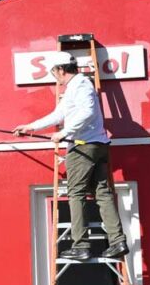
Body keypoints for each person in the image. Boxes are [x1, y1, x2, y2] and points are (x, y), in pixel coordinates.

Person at [13, 51, 128, 261]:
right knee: (102, 193)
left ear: (61, 69)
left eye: (54, 72)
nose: (54, 76)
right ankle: (117, 241)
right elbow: (59, 114)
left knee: (76, 193)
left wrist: (63, 133)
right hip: (98, 145)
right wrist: (30, 127)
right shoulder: (77, 86)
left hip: (83, 146)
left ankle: (81, 245)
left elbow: (88, 112)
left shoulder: (81, 85)